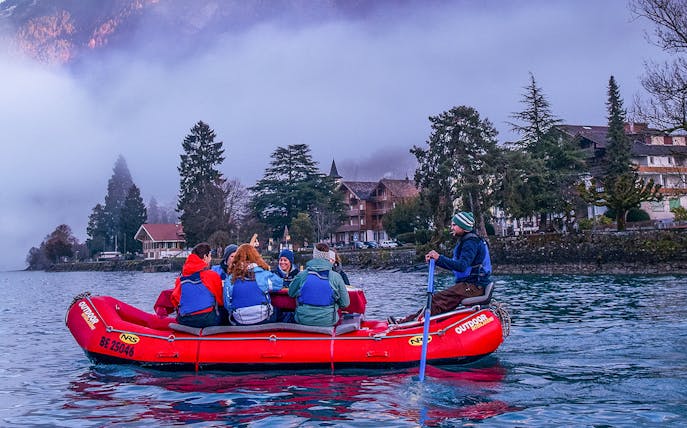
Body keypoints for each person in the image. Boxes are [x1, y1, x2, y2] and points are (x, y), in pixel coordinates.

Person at [389, 211, 492, 324]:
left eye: (454, 225)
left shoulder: (470, 243)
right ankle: (412, 319)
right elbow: (456, 266)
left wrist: (439, 258)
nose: (451, 227)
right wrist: (437, 261)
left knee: (437, 300)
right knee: (437, 300)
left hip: (474, 287)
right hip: (470, 285)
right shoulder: (468, 240)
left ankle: (412, 323)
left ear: (464, 227)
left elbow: (462, 266)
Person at [288, 243, 350, 326]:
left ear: (314, 256)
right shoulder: (336, 277)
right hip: (328, 320)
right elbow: (345, 303)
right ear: (327, 257)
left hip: (303, 319)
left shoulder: (302, 275)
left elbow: (291, 293)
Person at [223, 243, 284, 325]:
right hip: (262, 317)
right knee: (279, 311)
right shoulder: (262, 275)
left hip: (240, 319)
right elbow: (279, 284)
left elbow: (227, 304)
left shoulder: (230, 278)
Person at [170, 242, 226, 328]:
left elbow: (175, 300)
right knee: (225, 311)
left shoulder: (180, 279)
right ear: (205, 257)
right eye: (210, 256)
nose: (210, 259)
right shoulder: (211, 275)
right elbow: (220, 301)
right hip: (208, 319)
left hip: (185, 321)